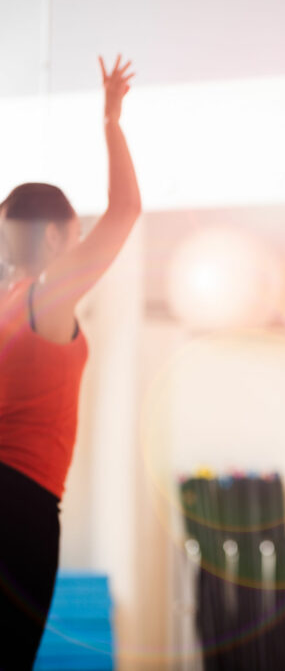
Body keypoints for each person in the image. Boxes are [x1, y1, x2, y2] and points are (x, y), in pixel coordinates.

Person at [0, 56, 141, 666]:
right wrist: (111, 121)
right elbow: (126, 211)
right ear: (57, 237)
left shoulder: (6, 306)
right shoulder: (45, 293)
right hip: (21, 505)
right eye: (74, 233)